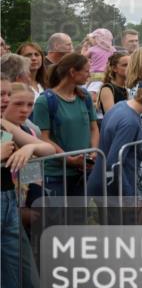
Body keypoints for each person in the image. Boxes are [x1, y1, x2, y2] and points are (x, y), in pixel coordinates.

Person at [1, 77, 56, 288]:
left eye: (8, 94)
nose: (7, 100)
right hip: (8, 206)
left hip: (8, 206)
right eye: (4, 96)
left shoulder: (8, 127)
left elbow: (48, 150)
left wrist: (27, 147)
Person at [87, 74, 142, 202]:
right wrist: (129, 196)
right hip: (114, 192)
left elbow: (128, 153)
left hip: (104, 184)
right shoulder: (130, 121)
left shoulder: (120, 106)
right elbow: (114, 163)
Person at [30, 54, 99, 197]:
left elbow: (93, 128)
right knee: (58, 218)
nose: (89, 74)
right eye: (86, 71)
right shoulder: (44, 101)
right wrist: (69, 159)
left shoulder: (84, 96)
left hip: (83, 172)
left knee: (79, 217)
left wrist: (93, 152)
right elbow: (43, 138)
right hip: (56, 174)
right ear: (73, 72)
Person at [97, 53, 130, 123]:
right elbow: (111, 117)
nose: (129, 67)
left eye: (131, 64)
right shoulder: (107, 89)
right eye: (125, 65)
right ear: (115, 69)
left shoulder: (127, 88)